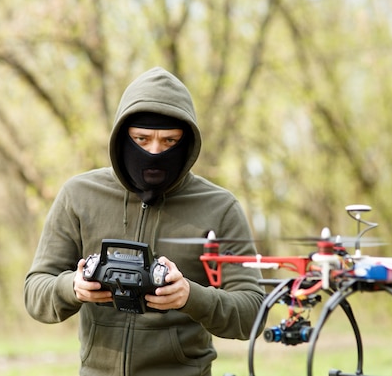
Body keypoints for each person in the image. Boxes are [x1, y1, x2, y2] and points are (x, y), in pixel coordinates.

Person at [24, 67, 265, 376]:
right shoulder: (79, 195)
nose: (154, 152)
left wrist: (190, 296)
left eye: (169, 142)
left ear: (187, 142)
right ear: (122, 137)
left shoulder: (220, 208)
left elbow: (253, 312)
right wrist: (74, 286)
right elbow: (35, 291)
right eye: (141, 139)